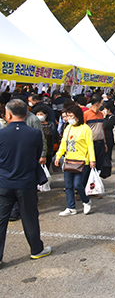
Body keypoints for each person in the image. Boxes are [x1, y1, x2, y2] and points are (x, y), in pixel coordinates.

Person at [0, 99, 52, 265]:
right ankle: (36, 249)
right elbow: (37, 154)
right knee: (30, 217)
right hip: (27, 182)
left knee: (1, 220)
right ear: (26, 113)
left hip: (4, 182)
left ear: (8, 114)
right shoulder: (35, 133)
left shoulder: (1, 133)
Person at [54, 105, 96, 216]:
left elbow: (90, 146)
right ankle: (70, 207)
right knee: (68, 186)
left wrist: (92, 160)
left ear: (77, 116)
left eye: (71, 116)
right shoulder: (68, 128)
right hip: (69, 160)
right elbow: (63, 144)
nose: (68, 118)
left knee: (78, 185)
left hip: (82, 161)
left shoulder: (86, 129)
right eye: (67, 116)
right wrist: (58, 156)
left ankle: (86, 201)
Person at [84, 94, 107, 174]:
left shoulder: (101, 114)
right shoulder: (86, 114)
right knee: (89, 165)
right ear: (97, 104)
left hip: (100, 143)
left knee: (99, 165)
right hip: (90, 144)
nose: (102, 105)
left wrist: (104, 143)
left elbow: (102, 129)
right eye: (101, 103)